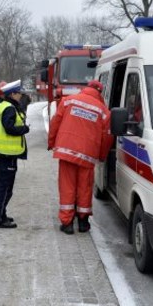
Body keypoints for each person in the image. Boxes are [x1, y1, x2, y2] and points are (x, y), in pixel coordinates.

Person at [48, 80, 113, 234]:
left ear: (86, 88)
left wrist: (51, 142)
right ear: (100, 92)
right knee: (85, 187)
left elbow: (55, 123)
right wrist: (102, 156)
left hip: (67, 150)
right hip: (88, 155)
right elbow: (107, 138)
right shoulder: (103, 111)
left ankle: (67, 223)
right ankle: (83, 222)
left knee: (67, 186)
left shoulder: (68, 101)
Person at [0, 79, 30, 228]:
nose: (20, 95)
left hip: (3, 152)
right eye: (19, 93)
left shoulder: (1, 105)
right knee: (5, 187)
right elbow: (9, 128)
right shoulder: (10, 109)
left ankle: (0, 213)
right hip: (8, 153)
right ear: (12, 94)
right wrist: (24, 129)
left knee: (1, 185)